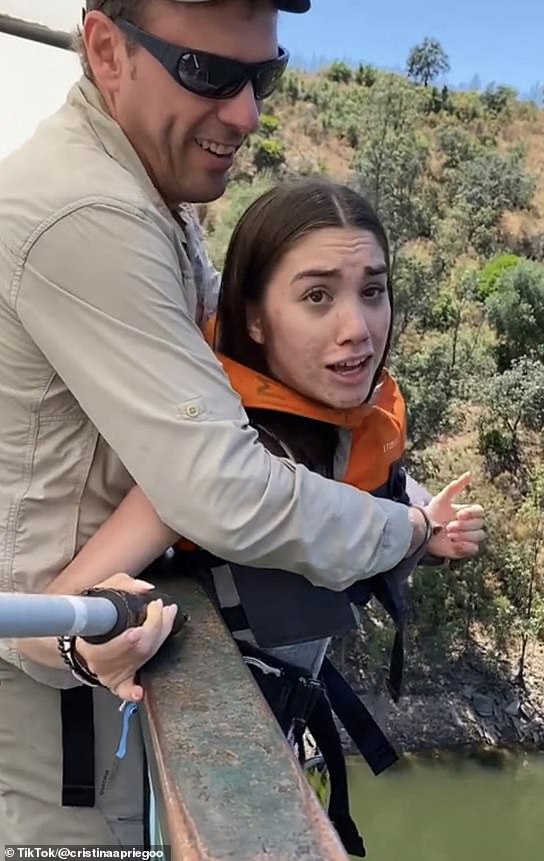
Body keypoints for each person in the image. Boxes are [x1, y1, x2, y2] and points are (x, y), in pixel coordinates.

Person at [0, 0, 472, 848]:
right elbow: (218, 488)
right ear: (106, 49)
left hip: (98, 672)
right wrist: (403, 530)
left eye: (264, 76)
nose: (248, 112)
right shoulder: (92, 213)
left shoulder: (152, 198)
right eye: (208, 73)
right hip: (54, 700)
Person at [44, 177, 486, 854]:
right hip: (139, 785)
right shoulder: (222, 462)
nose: (358, 328)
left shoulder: (345, 424)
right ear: (254, 318)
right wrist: (87, 644)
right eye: (317, 296)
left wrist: (429, 530)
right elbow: (54, 610)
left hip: (279, 733)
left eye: (372, 290)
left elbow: (378, 490)